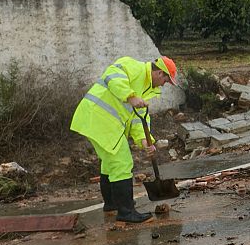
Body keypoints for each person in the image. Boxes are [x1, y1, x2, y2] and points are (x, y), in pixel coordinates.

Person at [70, 56, 177, 223]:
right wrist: (130, 96)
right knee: (122, 163)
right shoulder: (134, 67)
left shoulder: (147, 88)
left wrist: (143, 139)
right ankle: (126, 212)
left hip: (100, 121)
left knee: (109, 164)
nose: (165, 84)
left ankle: (112, 204)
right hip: (99, 119)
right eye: (166, 79)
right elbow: (111, 76)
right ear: (158, 72)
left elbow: (138, 117)